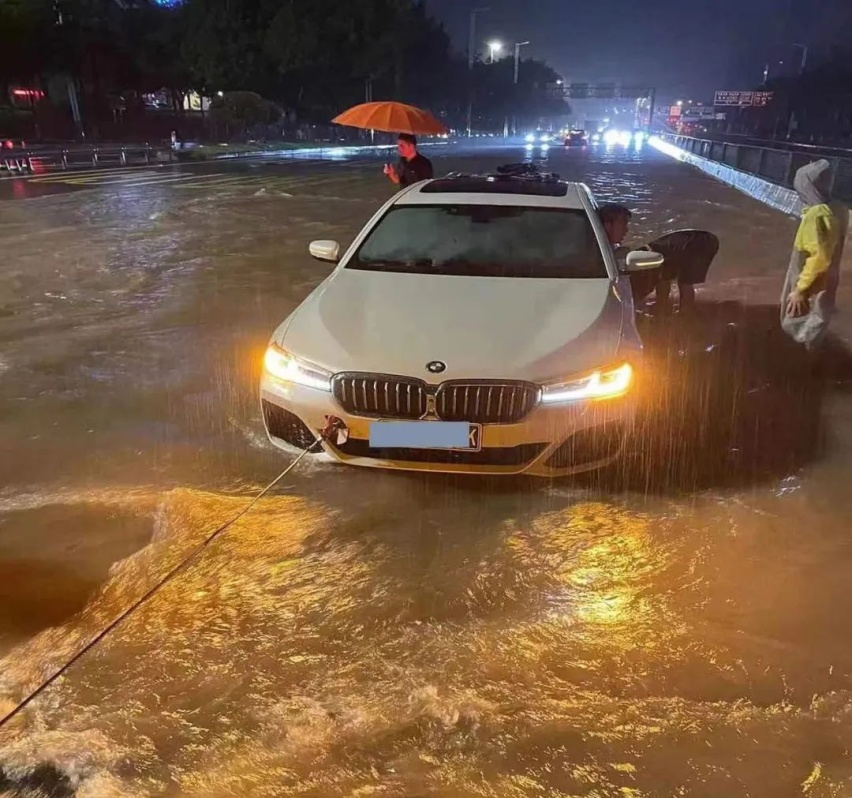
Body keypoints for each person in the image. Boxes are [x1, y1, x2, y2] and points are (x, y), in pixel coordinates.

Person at [781, 159, 849, 353]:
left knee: (795, 321)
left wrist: (800, 291)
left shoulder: (817, 216)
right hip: (829, 278)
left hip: (808, 280)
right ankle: (814, 353)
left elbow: (818, 258)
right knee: (819, 317)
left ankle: (800, 359)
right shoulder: (838, 209)